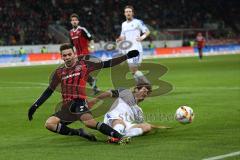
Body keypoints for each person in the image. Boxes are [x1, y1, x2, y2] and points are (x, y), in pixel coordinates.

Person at [28, 43, 139, 144]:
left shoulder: (84, 66)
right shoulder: (59, 72)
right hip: (67, 106)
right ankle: (79, 132)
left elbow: (107, 64)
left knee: (89, 123)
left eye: (69, 54)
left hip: (80, 103)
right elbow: (49, 91)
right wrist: (35, 106)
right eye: (64, 55)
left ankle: (120, 136)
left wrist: (127, 56)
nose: (67, 57)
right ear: (61, 56)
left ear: (74, 54)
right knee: (50, 124)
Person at [87, 82, 153, 143]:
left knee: (147, 127)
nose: (145, 93)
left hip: (125, 124)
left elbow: (140, 123)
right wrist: (94, 100)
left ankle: (120, 136)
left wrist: (152, 126)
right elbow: (109, 93)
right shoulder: (126, 93)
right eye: (144, 90)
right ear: (136, 89)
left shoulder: (139, 110)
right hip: (113, 118)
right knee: (120, 123)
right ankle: (115, 136)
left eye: (147, 92)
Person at [116, 5, 150, 84]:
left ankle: (147, 84)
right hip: (128, 50)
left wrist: (142, 37)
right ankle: (140, 86)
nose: (128, 13)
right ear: (124, 13)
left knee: (133, 68)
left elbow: (147, 31)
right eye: (126, 12)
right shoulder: (123, 24)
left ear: (132, 13)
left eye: (130, 11)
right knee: (132, 71)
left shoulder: (138, 22)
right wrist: (119, 39)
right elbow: (123, 36)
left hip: (136, 49)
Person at [69, 13, 99, 95]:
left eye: (75, 20)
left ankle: (80, 89)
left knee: (81, 71)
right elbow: (72, 45)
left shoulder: (82, 30)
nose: (74, 22)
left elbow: (90, 38)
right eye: (73, 20)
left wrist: (92, 47)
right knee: (82, 72)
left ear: (78, 21)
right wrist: (72, 54)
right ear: (71, 22)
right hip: (78, 55)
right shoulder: (71, 32)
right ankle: (94, 85)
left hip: (85, 54)